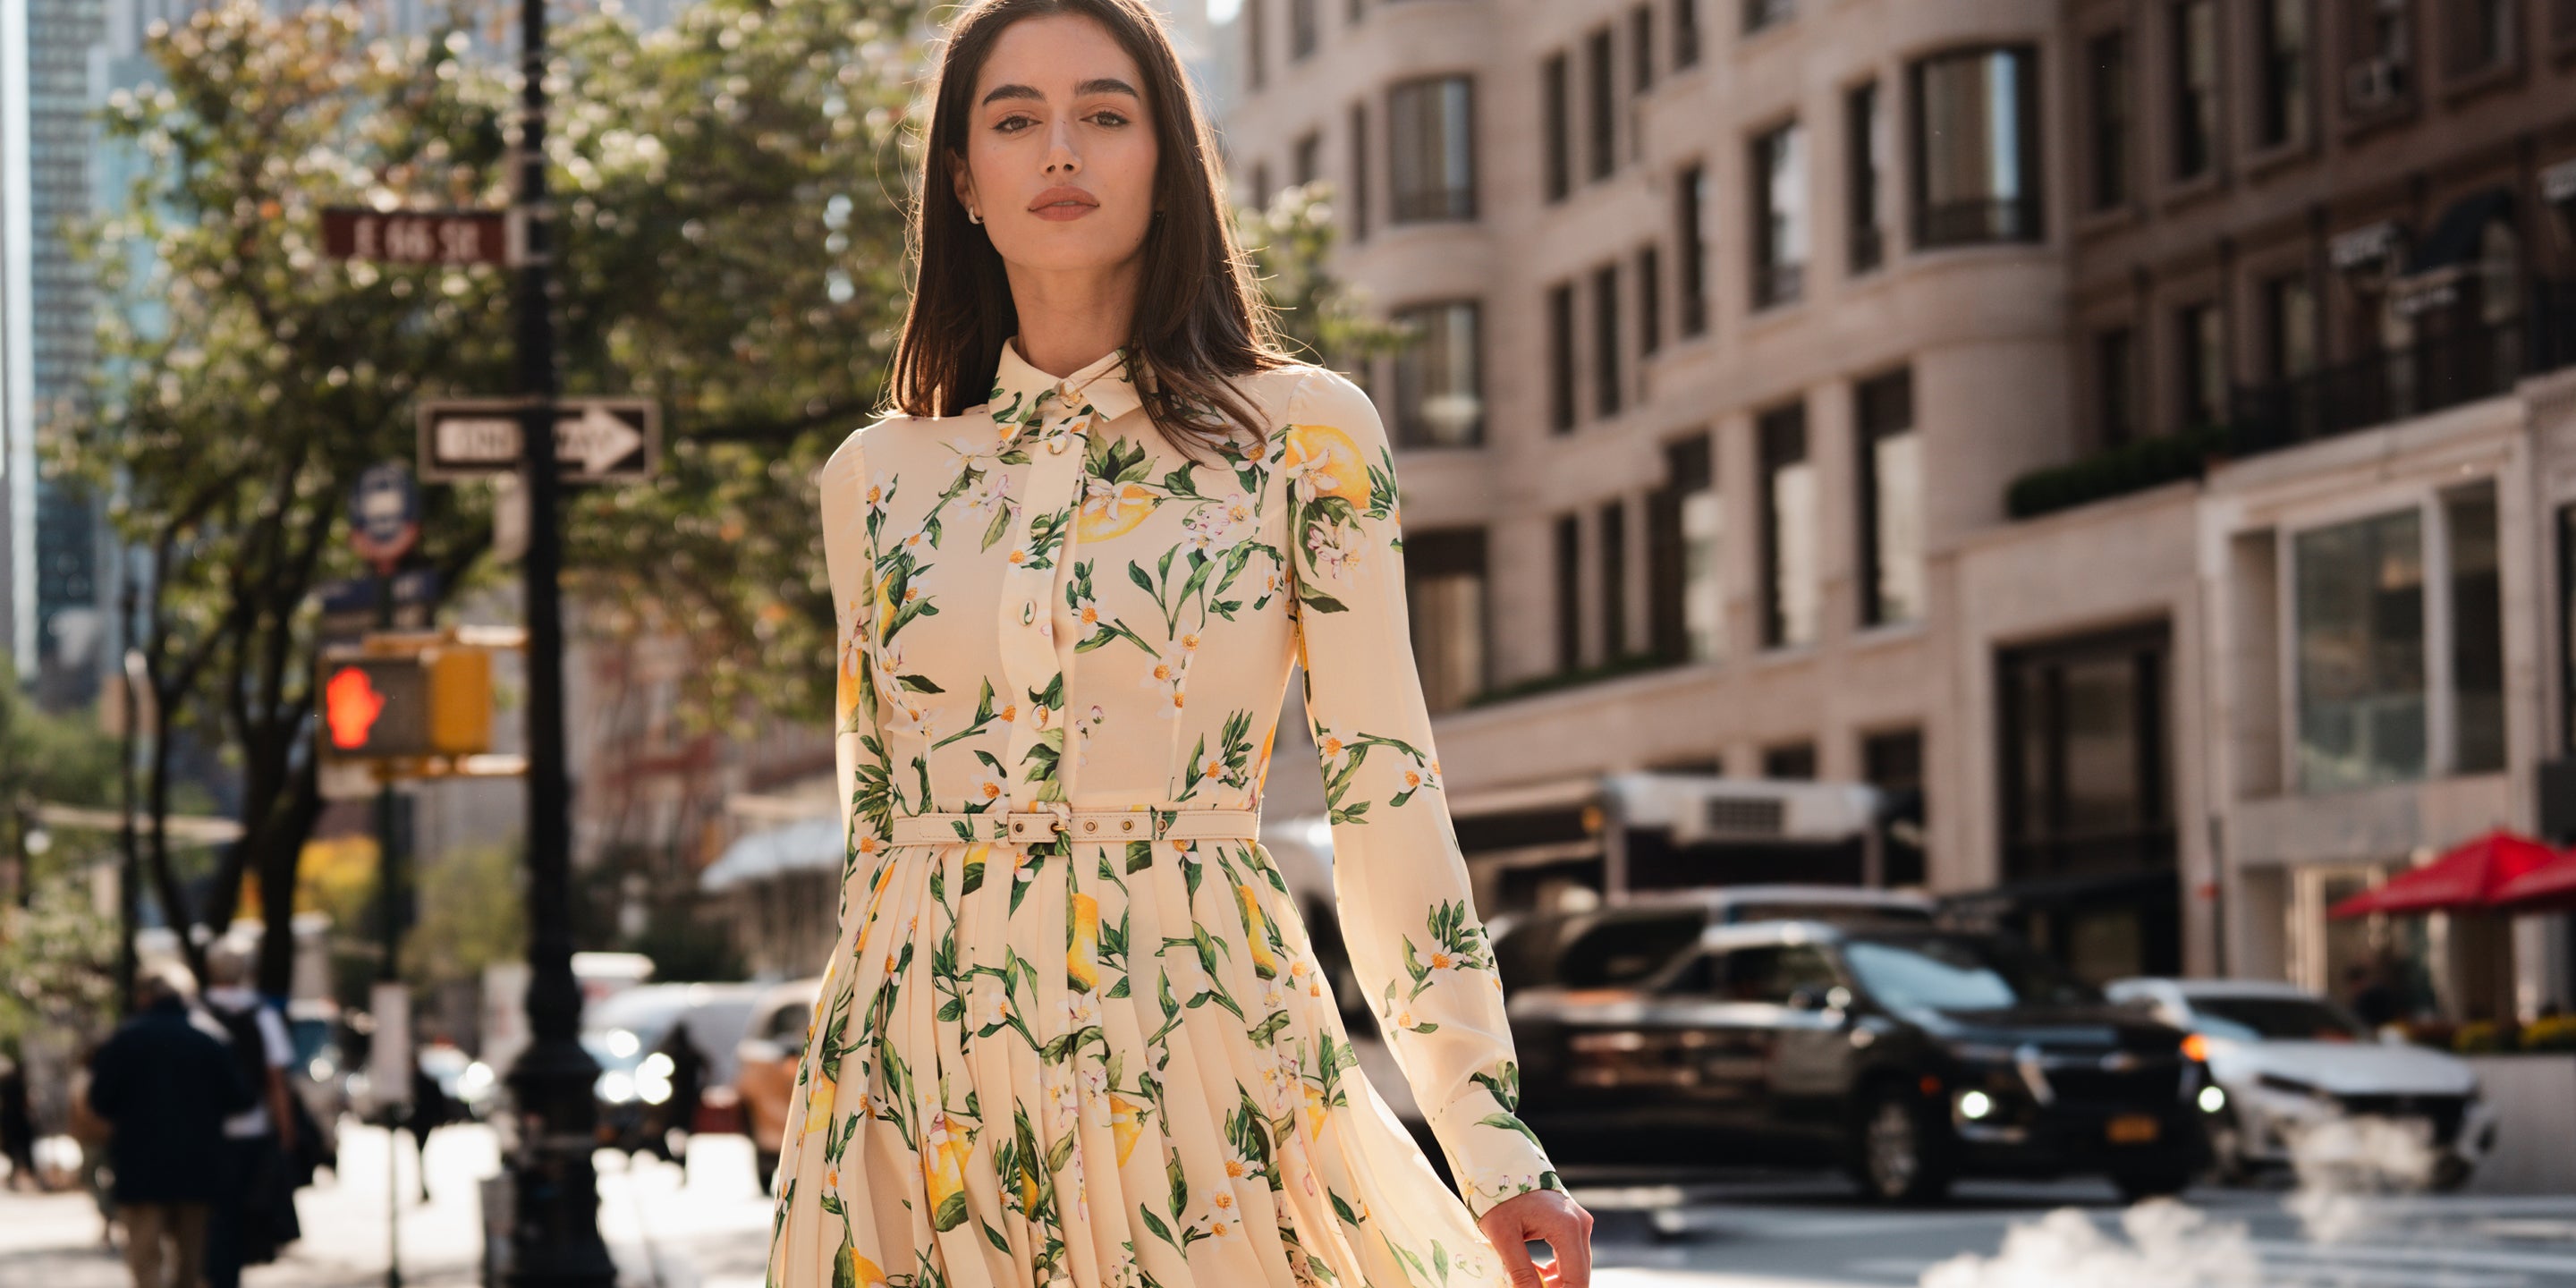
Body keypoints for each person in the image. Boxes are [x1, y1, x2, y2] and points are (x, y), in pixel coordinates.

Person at [762, 4, 1592, 1286]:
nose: (1060, 152)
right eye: (1014, 118)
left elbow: (1385, 783)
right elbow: (874, 814)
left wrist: (1489, 1139)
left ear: (1169, 165)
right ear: (961, 179)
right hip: (919, 1066)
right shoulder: (874, 477)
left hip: (1200, 1041)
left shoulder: (1304, 434)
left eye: (1105, 113)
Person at [88, 969, 251, 1288]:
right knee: (190, 1262)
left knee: (145, 1260)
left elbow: (99, 1101)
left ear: (144, 996)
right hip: (198, 1166)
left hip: (140, 1166)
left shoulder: (126, 1039)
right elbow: (240, 1098)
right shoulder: (209, 1039)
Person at [200, 942, 300, 1288]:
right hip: (253, 1129)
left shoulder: (198, 1012)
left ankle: (219, 1275)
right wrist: (286, 1129)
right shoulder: (262, 1015)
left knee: (217, 1218)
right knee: (247, 1212)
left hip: (209, 1133)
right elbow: (277, 1080)